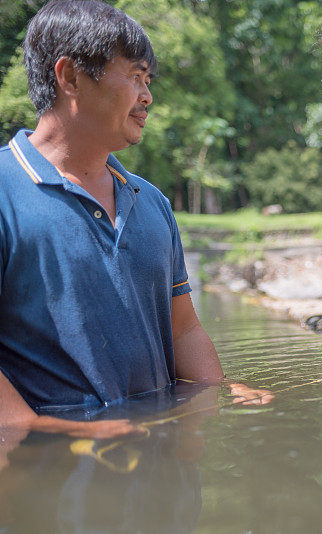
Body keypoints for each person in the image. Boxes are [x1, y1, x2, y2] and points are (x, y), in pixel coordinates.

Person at [0, 0, 271, 440]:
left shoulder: (152, 202)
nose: (147, 96)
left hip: (158, 463)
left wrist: (219, 392)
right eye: (134, 76)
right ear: (70, 76)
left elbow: (183, 328)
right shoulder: (4, 192)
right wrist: (42, 429)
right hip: (53, 473)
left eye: (149, 80)